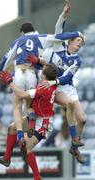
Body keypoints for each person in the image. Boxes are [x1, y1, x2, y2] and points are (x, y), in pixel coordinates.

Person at [0, 0, 72, 150]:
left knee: (16, 108)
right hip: (32, 74)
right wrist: (74, 32)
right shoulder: (39, 37)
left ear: (22, 32)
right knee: (29, 106)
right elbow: (57, 37)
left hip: (20, 73)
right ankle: (31, 126)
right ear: (33, 30)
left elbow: (6, 57)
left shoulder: (19, 40)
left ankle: (21, 136)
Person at [27, 30, 86, 163]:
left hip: (66, 86)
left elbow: (67, 77)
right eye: (78, 41)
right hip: (56, 88)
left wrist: (52, 80)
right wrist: (63, 16)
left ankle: (74, 148)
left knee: (82, 119)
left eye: (81, 43)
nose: (80, 44)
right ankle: (75, 139)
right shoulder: (56, 46)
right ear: (70, 41)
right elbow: (58, 30)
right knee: (69, 104)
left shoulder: (77, 59)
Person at [0, 64, 58, 180]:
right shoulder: (47, 84)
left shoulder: (44, 88)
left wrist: (10, 81)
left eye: (43, 71)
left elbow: (22, 94)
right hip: (37, 116)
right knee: (12, 127)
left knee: (26, 148)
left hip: (44, 122)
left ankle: (37, 177)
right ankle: (6, 158)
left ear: (45, 75)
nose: (41, 72)